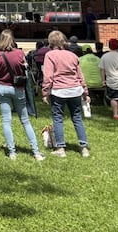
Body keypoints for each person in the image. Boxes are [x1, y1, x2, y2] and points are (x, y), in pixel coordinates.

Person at [0, 30, 44, 161]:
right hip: (17, 88)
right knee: (25, 120)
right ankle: (36, 151)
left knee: (6, 121)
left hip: (2, 87)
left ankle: (12, 152)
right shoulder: (19, 53)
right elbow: (25, 67)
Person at [42, 30, 90, 158]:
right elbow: (80, 75)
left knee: (58, 119)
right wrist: (85, 91)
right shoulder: (73, 55)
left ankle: (60, 148)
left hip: (58, 91)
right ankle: (84, 147)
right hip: (75, 89)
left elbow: (48, 76)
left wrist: (45, 92)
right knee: (77, 118)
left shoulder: (50, 55)